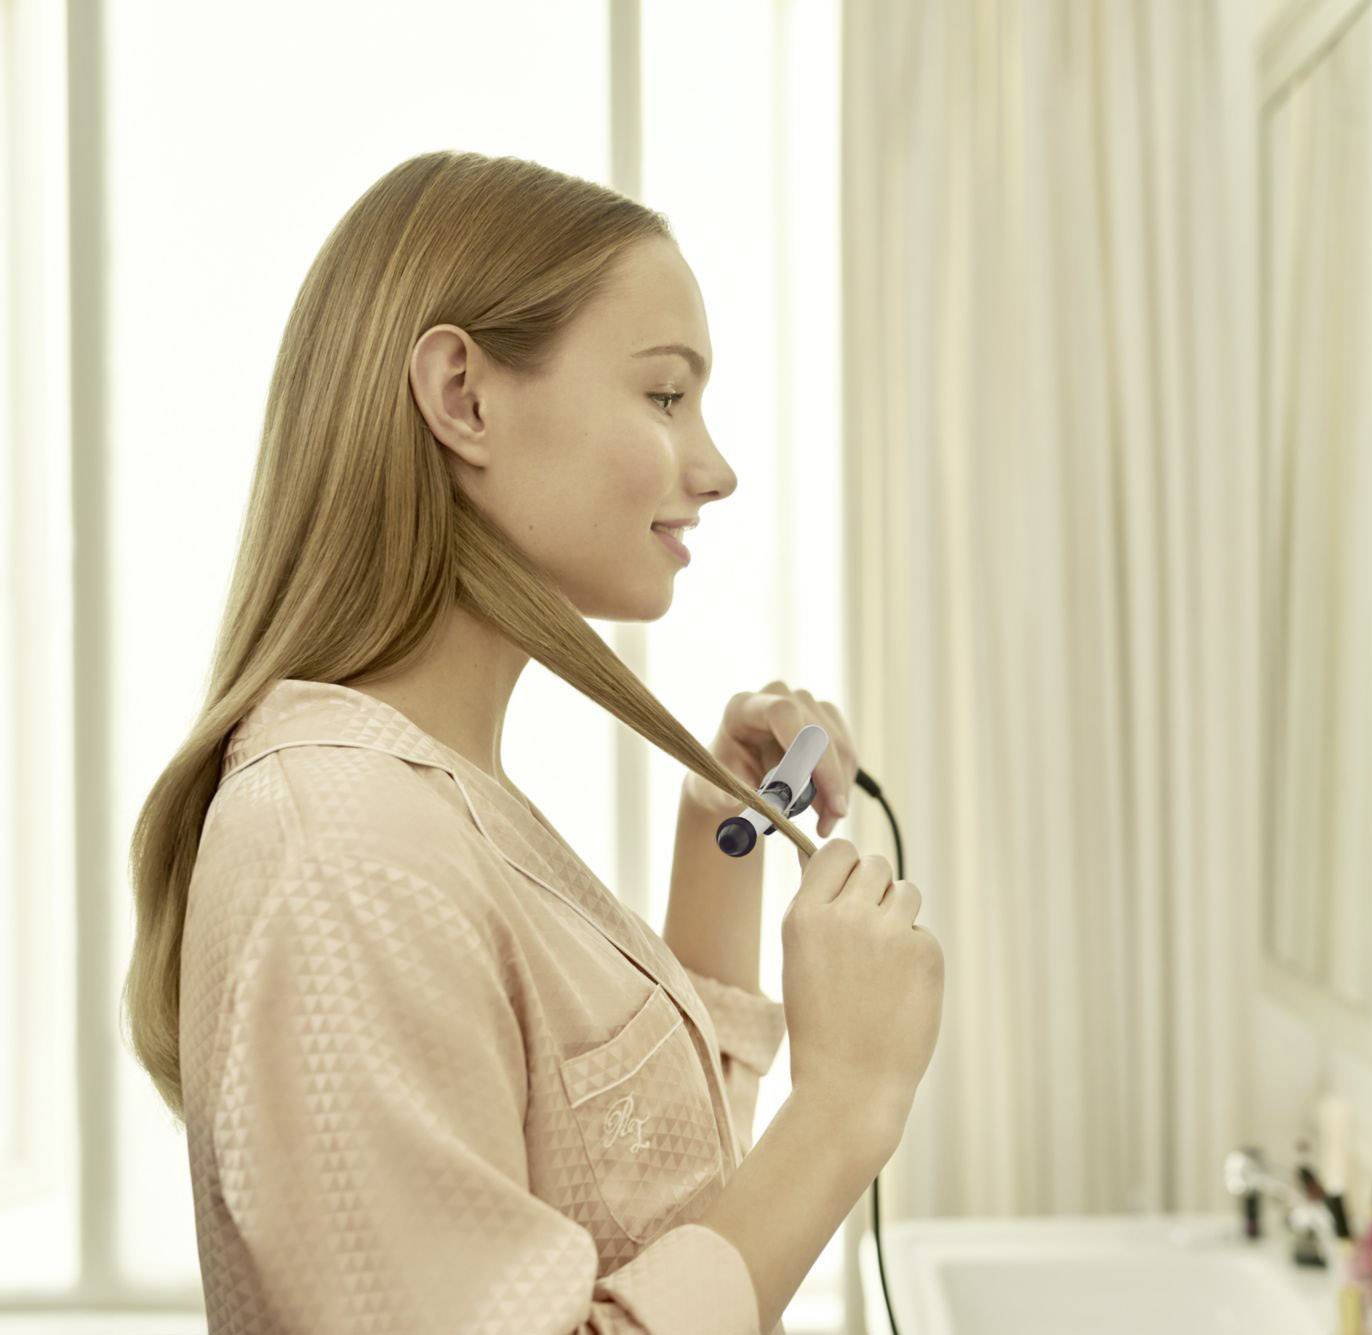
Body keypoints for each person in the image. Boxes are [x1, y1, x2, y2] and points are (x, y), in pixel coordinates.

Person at [122, 150, 944, 1335]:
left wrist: (720, 828)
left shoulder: (428, 802)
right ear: (462, 396)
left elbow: (664, 1217)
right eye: (665, 396)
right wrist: (847, 1107)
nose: (713, 468)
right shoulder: (348, 852)